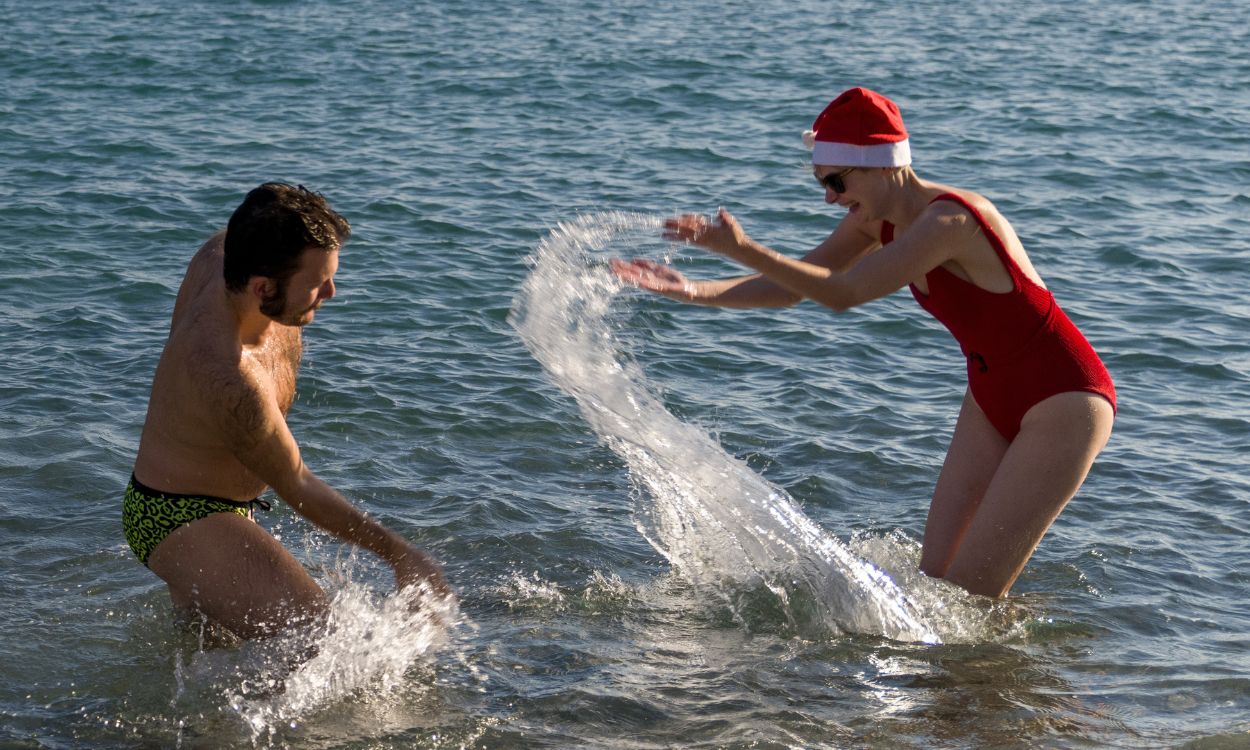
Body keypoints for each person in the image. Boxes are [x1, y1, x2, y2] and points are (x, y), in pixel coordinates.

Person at [612, 88, 1116, 598]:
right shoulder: (872, 221)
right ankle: (969, 676)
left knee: (977, 591)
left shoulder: (951, 220)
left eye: (835, 180)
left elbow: (845, 293)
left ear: (880, 165)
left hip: (1063, 398)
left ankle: (1001, 676)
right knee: (938, 585)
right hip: (989, 392)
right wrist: (694, 290)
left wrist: (742, 250)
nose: (829, 197)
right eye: (822, 183)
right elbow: (796, 287)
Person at [123, 183, 452, 638]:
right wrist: (400, 553)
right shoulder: (231, 379)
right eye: (317, 283)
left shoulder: (227, 252)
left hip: (220, 503)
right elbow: (296, 481)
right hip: (178, 515)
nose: (332, 292)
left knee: (209, 662)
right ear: (263, 287)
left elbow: (262, 218)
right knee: (314, 635)